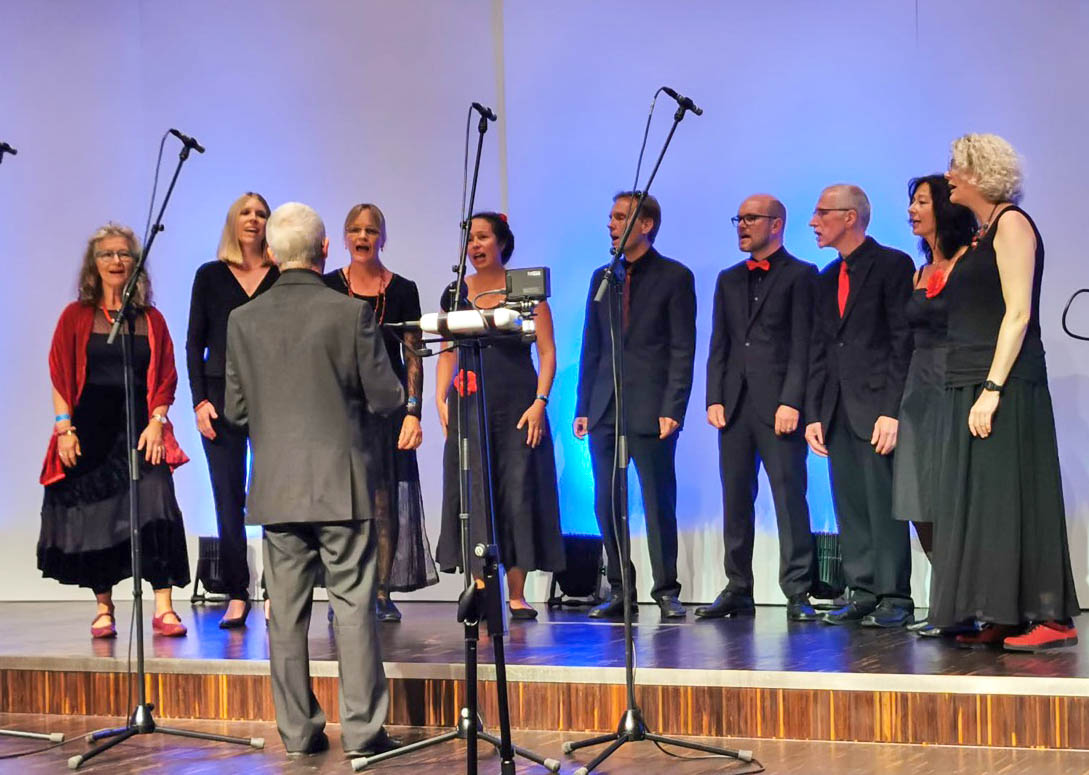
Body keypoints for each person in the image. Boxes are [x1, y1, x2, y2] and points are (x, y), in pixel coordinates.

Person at [224, 202, 404, 756]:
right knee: (352, 609)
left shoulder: (242, 320)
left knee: (285, 616)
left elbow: (234, 410)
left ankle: (299, 733)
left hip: (276, 488)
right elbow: (387, 397)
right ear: (325, 249)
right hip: (340, 486)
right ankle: (363, 733)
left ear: (271, 253)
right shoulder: (350, 314)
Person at [929, 133, 1079, 651]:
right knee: (988, 502)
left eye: (956, 166)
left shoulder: (1012, 224)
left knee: (1017, 494)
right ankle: (1003, 610)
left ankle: (1050, 616)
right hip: (971, 376)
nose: (948, 175)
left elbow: (1018, 313)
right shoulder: (982, 232)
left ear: (979, 172)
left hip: (1005, 381)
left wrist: (992, 388)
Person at [38, 223, 191, 639]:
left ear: (135, 263)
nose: (116, 260)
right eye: (107, 254)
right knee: (98, 516)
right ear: (94, 264)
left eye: (124, 253)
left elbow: (166, 377)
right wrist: (64, 429)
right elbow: (60, 373)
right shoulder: (75, 316)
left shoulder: (151, 319)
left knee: (157, 506)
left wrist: (158, 422)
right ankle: (103, 607)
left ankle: (163, 607)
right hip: (90, 428)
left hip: (142, 428)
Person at [434, 212, 565, 619]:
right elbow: (447, 350)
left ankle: (516, 594)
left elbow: (547, 352)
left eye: (483, 237)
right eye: (470, 239)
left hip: (518, 405)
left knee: (516, 490)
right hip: (470, 401)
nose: (475, 246)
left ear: (502, 242)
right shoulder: (456, 292)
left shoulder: (525, 291)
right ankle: (480, 589)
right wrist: (440, 398)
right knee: (473, 490)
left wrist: (540, 402)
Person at [575, 192, 697, 619]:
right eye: (610, 217)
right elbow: (592, 344)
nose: (611, 224)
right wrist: (583, 405)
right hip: (605, 405)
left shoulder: (675, 276)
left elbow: (682, 348)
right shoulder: (603, 277)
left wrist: (674, 407)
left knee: (657, 499)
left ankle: (666, 590)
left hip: (652, 406)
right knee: (606, 500)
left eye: (621, 217)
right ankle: (619, 588)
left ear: (646, 225)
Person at [698, 195, 818, 622]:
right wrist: (714, 396)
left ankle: (798, 590)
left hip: (779, 405)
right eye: (739, 218)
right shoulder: (728, 279)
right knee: (735, 497)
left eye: (751, 218)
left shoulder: (802, 275)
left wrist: (792, 401)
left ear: (776, 224)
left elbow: (804, 345)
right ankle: (738, 587)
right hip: (734, 404)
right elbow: (720, 343)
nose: (743, 225)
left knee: (789, 496)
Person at [804, 185, 915, 627]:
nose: (813, 222)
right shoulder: (827, 277)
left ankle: (895, 596)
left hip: (877, 407)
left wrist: (892, 410)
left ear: (850, 217)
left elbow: (902, 342)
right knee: (849, 504)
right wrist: (815, 413)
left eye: (822, 213)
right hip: (837, 410)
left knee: (884, 505)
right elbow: (819, 350)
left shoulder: (892, 265)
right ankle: (863, 590)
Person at [323, 203, 438, 621]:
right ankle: (344, 592)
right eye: (355, 229)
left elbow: (413, 355)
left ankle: (382, 592)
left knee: (384, 503)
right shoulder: (328, 286)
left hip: (388, 411)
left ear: (382, 238)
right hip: (340, 411)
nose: (363, 236)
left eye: (371, 230)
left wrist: (413, 412)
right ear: (344, 237)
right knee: (344, 506)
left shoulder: (403, 289)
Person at [186, 192, 279, 628]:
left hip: (272, 396)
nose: (254, 219)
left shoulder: (280, 275)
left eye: (261, 214)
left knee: (276, 496)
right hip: (219, 397)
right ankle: (237, 593)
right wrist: (199, 401)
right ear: (233, 221)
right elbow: (194, 343)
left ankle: (279, 589)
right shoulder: (210, 275)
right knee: (227, 498)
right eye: (246, 212)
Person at [891, 176, 975, 637]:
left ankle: (971, 602)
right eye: (912, 202)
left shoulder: (972, 263)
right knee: (918, 497)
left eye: (921, 201)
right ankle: (948, 600)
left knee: (956, 498)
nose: (911, 210)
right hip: (918, 391)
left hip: (958, 384)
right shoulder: (918, 272)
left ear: (944, 207)